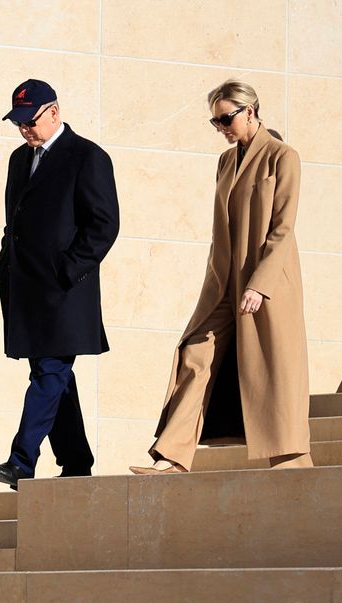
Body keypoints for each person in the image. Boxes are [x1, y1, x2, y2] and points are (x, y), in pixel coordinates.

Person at [130, 80, 311, 474]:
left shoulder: (283, 157)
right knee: (196, 353)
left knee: (273, 368)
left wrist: (260, 284)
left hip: (268, 284)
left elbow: (283, 228)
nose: (221, 128)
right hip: (224, 283)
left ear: (250, 110)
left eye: (225, 118)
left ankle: (292, 460)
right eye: (214, 122)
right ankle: (173, 456)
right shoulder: (226, 162)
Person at [0, 78, 119, 490]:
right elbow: (15, 223)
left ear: (54, 112)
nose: (24, 129)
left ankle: (21, 460)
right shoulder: (19, 160)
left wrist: (67, 270)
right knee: (54, 375)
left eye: (31, 120)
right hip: (25, 290)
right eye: (18, 122)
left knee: (49, 372)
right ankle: (76, 461)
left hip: (63, 293)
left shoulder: (87, 157)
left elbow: (104, 224)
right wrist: (3, 266)